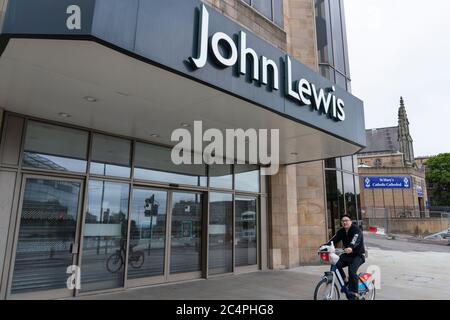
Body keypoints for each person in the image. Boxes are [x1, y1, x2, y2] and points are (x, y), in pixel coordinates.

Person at [325, 215, 366, 299]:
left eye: (346, 220)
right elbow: (333, 240)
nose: (344, 222)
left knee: (351, 270)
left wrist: (351, 247)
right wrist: (324, 246)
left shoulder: (356, 230)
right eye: (343, 221)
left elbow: (355, 240)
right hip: (347, 254)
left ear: (350, 221)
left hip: (358, 255)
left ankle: (354, 293)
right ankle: (345, 280)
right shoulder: (341, 231)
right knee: (336, 264)